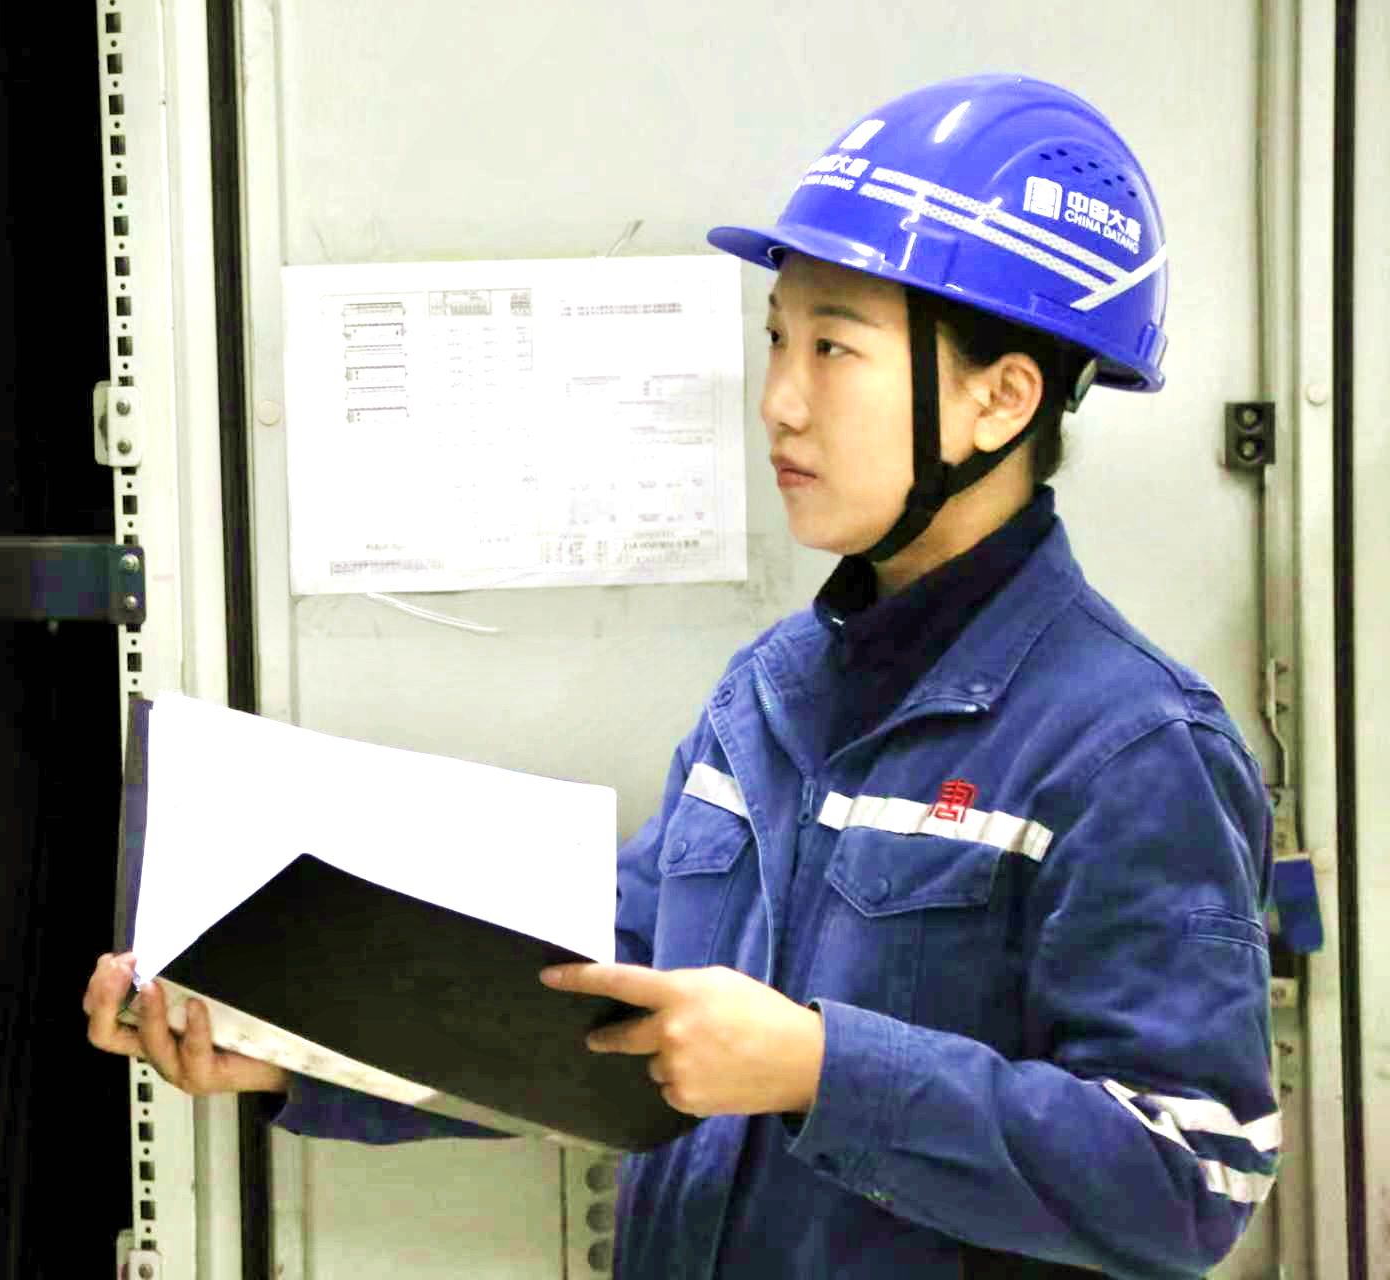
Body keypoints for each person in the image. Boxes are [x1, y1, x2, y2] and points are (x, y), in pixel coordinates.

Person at [83, 73, 1278, 1279]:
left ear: (999, 399)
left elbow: (1192, 1176)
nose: (779, 404)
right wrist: (293, 1045)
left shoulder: (1128, 745)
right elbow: (586, 1012)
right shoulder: (770, 694)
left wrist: (819, 1069)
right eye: (777, 339)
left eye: (833, 347)